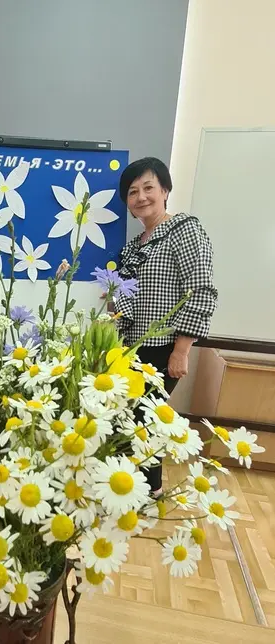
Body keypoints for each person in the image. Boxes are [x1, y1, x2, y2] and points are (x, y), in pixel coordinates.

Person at [115, 157, 217, 494]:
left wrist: (181, 350)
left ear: (165, 191)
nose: (141, 197)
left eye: (148, 187)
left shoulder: (185, 230)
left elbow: (200, 289)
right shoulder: (133, 246)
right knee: (132, 417)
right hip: (130, 347)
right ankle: (138, 487)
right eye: (132, 192)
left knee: (144, 418)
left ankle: (151, 490)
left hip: (164, 347)